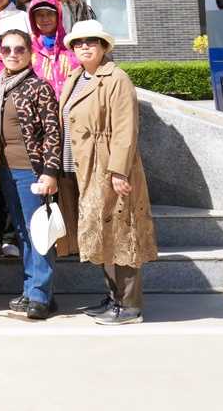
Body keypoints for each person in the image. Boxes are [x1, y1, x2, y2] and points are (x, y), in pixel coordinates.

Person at [60, 20, 157, 326]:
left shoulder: (117, 78)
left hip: (108, 167)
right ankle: (115, 297)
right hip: (83, 168)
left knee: (121, 233)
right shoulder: (75, 77)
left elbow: (126, 129)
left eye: (92, 41)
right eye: (78, 42)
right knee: (102, 234)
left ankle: (129, 305)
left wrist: (119, 171)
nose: (84, 47)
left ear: (103, 46)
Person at [0, 27, 66, 322]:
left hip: (32, 171)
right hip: (6, 170)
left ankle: (40, 296)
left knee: (39, 233)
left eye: (19, 49)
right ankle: (34, 289)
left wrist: (49, 173)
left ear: (29, 53)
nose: (12, 54)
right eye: (7, 49)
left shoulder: (39, 87)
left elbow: (52, 132)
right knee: (22, 233)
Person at [27, 0, 79, 95]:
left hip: (72, 103)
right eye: (39, 15)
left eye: (50, 13)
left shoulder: (72, 46)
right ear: (33, 18)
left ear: (58, 15)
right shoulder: (28, 50)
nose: (45, 19)